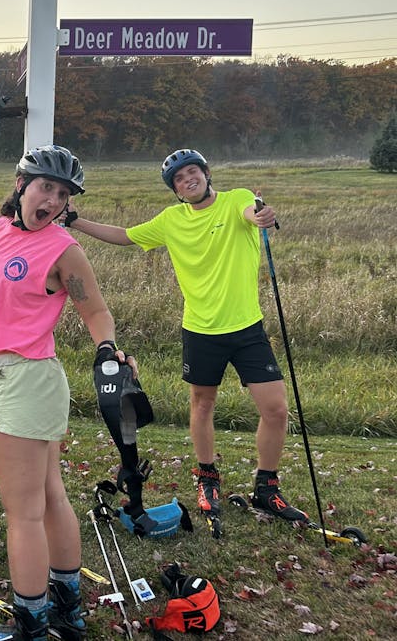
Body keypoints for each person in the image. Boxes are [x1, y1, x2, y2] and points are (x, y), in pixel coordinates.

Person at [0, 145, 130, 641]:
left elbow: (95, 310)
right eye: (45, 188)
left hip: (28, 379)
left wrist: (106, 347)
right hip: (13, 376)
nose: (52, 199)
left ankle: (32, 624)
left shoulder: (63, 249)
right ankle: (66, 611)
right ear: (21, 186)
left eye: (62, 194)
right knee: (50, 497)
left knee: (24, 514)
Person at [66, 148, 306, 531]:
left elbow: (254, 212)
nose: (187, 180)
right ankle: (207, 478)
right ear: (175, 189)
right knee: (202, 404)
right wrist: (75, 222)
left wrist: (264, 215)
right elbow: (125, 236)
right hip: (200, 330)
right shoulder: (171, 220)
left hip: (247, 329)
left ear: (206, 174)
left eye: (192, 172)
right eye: (178, 178)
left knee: (276, 409)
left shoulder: (236, 200)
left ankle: (266, 486)